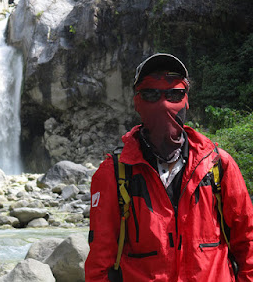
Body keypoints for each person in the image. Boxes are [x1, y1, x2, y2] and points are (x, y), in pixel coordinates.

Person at [85, 53, 253, 281]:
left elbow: (248, 241)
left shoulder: (218, 165)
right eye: (151, 94)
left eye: (174, 94)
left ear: (187, 101)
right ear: (137, 102)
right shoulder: (114, 174)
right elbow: (100, 263)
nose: (163, 103)